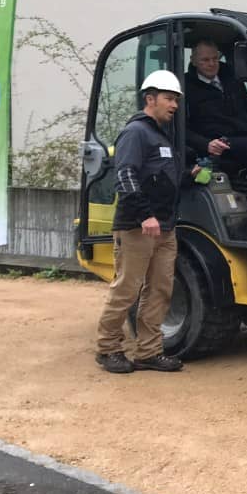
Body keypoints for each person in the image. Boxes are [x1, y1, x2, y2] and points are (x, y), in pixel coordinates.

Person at [95, 70, 191, 375]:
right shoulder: (136, 132)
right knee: (127, 289)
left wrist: (190, 174)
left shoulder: (162, 135)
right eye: (168, 98)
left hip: (164, 227)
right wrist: (145, 215)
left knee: (160, 291)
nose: (173, 105)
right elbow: (125, 175)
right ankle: (108, 348)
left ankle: (149, 351)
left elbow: (161, 176)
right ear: (150, 99)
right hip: (138, 227)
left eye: (175, 99)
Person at [184, 39, 247, 222]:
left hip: (243, 139)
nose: (211, 64)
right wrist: (206, 144)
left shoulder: (231, 79)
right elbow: (182, 128)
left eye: (215, 59)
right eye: (205, 60)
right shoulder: (186, 87)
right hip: (215, 143)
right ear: (193, 61)